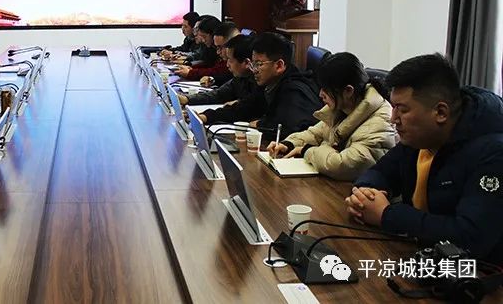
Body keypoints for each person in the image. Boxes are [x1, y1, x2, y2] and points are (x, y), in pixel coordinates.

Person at [347, 54, 503, 264]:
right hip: (421, 254)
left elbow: (471, 237)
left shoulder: (493, 152)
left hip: (477, 273)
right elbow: (380, 171)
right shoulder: (421, 136)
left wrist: (387, 215)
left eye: (402, 110)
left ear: (440, 112)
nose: (393, 119)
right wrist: (365, 192)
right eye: (393, 107)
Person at [267, 52, 396, 181]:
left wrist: (306, 150)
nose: (320, 94)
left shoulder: (381, 122)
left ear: (348, 91)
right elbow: (316, 134)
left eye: (326, 90)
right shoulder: (344, 106)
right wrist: (289, 144)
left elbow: (342, 165)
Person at [198, 32, 321, 140]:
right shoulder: (268, 84)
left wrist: (260, 124)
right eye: (253, 64)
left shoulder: (295, 91)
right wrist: (206, 116)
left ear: (279, 65)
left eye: (259, 64)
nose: (254, 70)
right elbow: (244, 108)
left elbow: (291, 129)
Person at [178, 35, 257, 106]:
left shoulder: (259, 82)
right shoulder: (240, 77)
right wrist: (187, 99)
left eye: (230, 60)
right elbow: (219, 94)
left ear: (246, 62)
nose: (227, 65)